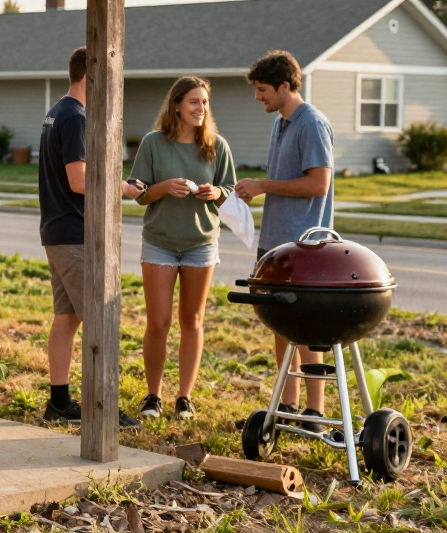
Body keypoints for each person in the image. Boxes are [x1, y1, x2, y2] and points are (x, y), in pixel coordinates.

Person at [39, 46, 144, 427]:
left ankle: (60, 403)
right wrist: (124, 188)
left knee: (66, 319)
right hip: (75, 234)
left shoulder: (57, 112)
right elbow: (80, 180)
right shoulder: (76, 118)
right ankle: (104, 407)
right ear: (91, 74)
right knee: (100, 320)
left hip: (57, 230)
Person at [234, 50, 334, 430]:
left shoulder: (311, 123)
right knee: (280, 323)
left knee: (306, 328)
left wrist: (263, 186)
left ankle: (315, 412)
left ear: (285, 86)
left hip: (304, 246)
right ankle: (287, 407)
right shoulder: (281, 122)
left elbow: (318, 183)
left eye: (262, 90)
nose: (258, 96)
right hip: (276, 243)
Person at [127, 77, 236, 420]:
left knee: (192, 320)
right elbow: (140, 193)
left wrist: (215, 193)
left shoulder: (216, 146)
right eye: (193, 102)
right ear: (176, 105)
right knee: (158, 322)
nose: (200, 108)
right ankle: (153, 396)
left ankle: (184, 397)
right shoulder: (153, 144)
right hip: (159, 241)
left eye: (204, 102)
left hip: (201, 244)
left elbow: (229, 189)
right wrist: (162, 188)